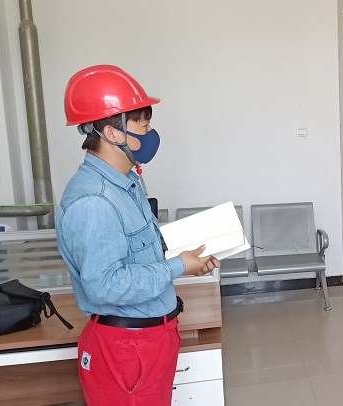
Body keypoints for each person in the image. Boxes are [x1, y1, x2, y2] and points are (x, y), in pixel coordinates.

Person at [56, 65, 220, 404]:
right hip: (126, 349)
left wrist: (188, 261)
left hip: (149, 340)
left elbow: (140, 254)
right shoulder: (95, 200)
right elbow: (105, 285)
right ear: (112, 132)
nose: (151, 133)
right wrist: (178, 266)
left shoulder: (128, 182)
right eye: (142, 125)